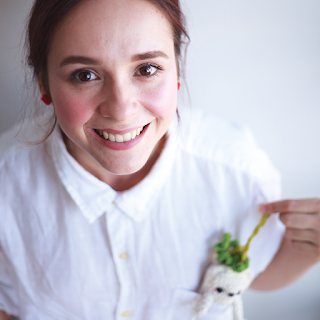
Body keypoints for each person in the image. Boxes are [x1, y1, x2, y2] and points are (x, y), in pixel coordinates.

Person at [0, 0, 319, 319]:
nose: (121, 108)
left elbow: (251, 275)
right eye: (85, 75)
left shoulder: (236, 170)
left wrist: (310, 249)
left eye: (146, 69)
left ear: (177, 72)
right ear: (44, 83)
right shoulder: (7, 183)